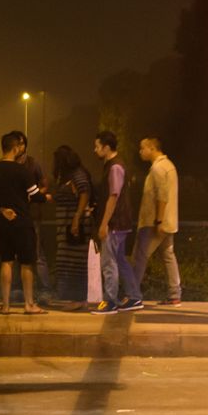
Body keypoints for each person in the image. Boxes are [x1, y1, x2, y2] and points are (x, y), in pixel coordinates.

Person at [0, 131, 48, 315]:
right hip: (23, 222)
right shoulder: (22, 171)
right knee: (27, 264)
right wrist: (46, 197)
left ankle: (6, 305)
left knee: (6, 261)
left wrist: (1, 209)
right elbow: (35, 195)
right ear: (15, 148)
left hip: (2, 223)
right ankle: (29, 304)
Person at [92, 131, 143, 314]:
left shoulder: (114, 167)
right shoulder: (113, 165)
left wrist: (104, 223)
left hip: (115, 223)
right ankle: (135, 297)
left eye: (97, 147)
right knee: (120, 260)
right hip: (121, 221)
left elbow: (113, 197)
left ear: (106, 147)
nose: (95, 150)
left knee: (109, 262)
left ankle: (110, 301)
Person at [132, 136, 182, 305]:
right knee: (168, 256)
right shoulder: (170, 166)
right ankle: (175, 294)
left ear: (152, 148)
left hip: (155, 222)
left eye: (142, 148)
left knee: (140, 256)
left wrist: (158, 221)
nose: (140, 152)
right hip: (170, 221)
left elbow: (162, 195)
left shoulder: (158, 168)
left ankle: (133, 295)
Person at [51, 145, 93, 309]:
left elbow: (84, 193)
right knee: (66, 262)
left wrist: (76, 218)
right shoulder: (70, 176)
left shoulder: (77, 174)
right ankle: (69, 298)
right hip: (67, 229)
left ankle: (74, 299)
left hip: (75, 228)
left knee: (73, 263)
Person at [13, 131, 53, 301]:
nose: (19, 147)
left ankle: (45, 289)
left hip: (32, 215)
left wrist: (34, 195)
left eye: (21, 143)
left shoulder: (33, 164)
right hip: (14, 215)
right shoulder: (8, 164)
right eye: (16, 143)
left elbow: (45, 185)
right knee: (15, 254)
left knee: (37, 253)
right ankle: (17, 289)